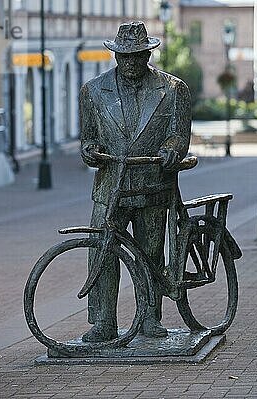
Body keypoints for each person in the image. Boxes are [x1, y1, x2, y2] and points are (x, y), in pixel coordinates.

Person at [79, 21, 191, 342]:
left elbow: (178, 135)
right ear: (115, 55)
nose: (130, 62)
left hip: (152, 185)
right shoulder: (93, 91)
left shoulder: (173, 90)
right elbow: (87, 141)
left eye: (136, 56)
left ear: (147, 54)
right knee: (101, 252)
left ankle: (149, 317)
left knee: (149, 255)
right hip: (109, 188)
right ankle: (102, 321)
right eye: (123, 56)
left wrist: (172, 149)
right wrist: (90, 151)